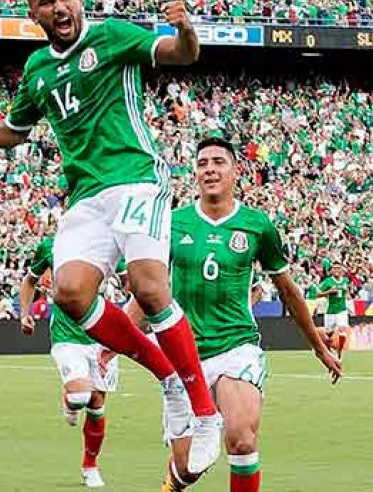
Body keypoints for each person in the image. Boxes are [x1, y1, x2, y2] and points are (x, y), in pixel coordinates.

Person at [0, 0, 223, 474]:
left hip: (136, 177)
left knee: (149, 287)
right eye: (47, 3)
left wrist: (186, 30)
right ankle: (168, 376)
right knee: (70, 293)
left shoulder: (112, 36)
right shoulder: (37, 69)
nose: (60, 7)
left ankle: (204, 411)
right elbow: (17, 130)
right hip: (85, 196)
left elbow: (182, 54)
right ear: (34, 13)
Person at [124, 138, 342, 492]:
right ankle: (174, 482)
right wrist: (108, 347)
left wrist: (318, 346)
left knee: (241, 438)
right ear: (195, 173)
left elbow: (288, 291)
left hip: (236, 346)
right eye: (202, 163)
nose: (210, 169)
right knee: (188, 469)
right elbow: (149, 294)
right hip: (184, 355)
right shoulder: (172, 223)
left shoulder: (257, 225)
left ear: (235, 171)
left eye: (218, 162)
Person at [20, 233, 123, 488]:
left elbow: (129, 279)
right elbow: (30, 280)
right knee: (80, 397)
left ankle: (90, 466)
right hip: (66, 336)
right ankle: (70, 400)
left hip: (103, 336)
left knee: (97, 405)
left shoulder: (109, 242)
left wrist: (121, 287)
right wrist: (24, 313)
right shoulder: (50, 245)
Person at [317, 266, 351, 357]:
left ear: (341, 270)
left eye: (338, 268)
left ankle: (339, 352)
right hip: (330, 311)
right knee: (328, 333)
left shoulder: (345, 280)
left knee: (342, 329)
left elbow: (347, 289)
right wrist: (329, 291)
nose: (336, 270)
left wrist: (347, 294)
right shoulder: (327, 281)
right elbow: (317, 294)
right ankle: (328, 349)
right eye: (334, 268)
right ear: (331, 270)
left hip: (342, 309)